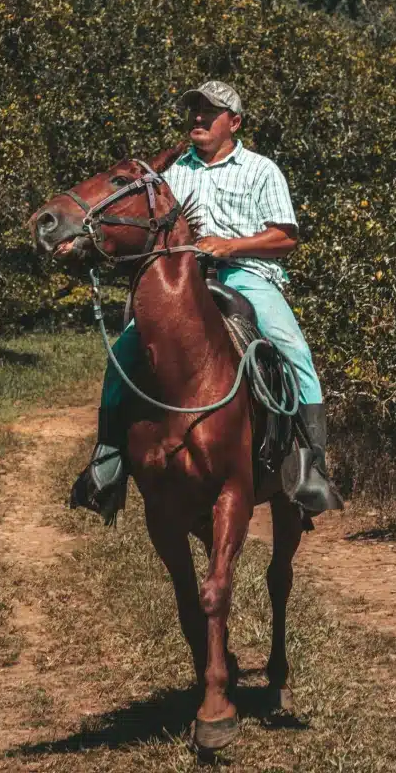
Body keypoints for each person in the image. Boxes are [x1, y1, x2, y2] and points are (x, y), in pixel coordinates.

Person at [63, 80, 339, 519]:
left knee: (294, 349)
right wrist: (84, 240)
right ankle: (107, 463)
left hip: (247, 276)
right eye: (194, 110)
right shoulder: (171, 173)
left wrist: (229, 247)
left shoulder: (262, 170)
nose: (198, 118)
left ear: (234, 122)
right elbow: (136, 223)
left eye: (210, 112)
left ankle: (311, 466)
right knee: (124, 353)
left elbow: (285, 237)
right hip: (181, 282)